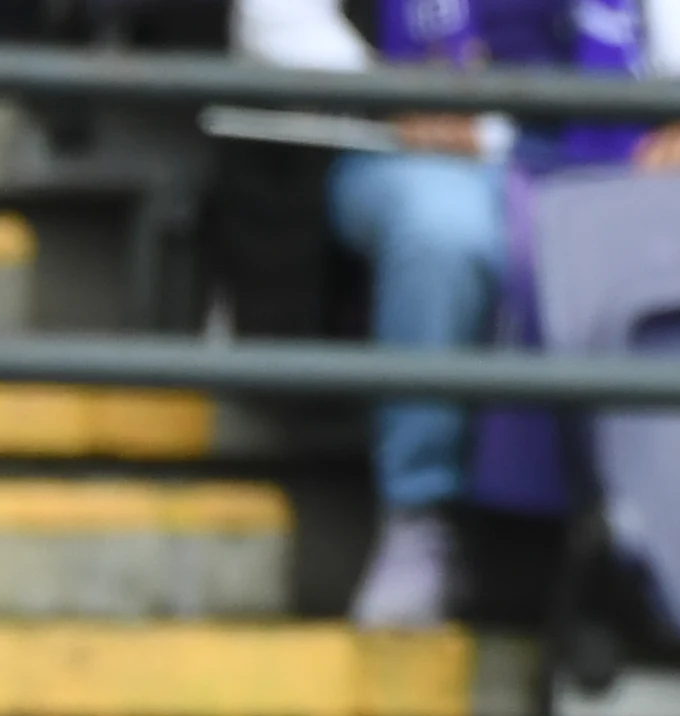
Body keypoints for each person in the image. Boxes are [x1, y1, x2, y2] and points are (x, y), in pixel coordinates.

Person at [233, 0, 680, 626]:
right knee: (443, 232)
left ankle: (654, 533)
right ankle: (422, 516)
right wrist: (390, 89)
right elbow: (274, 21)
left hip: (614, 149)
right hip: (423, 145)